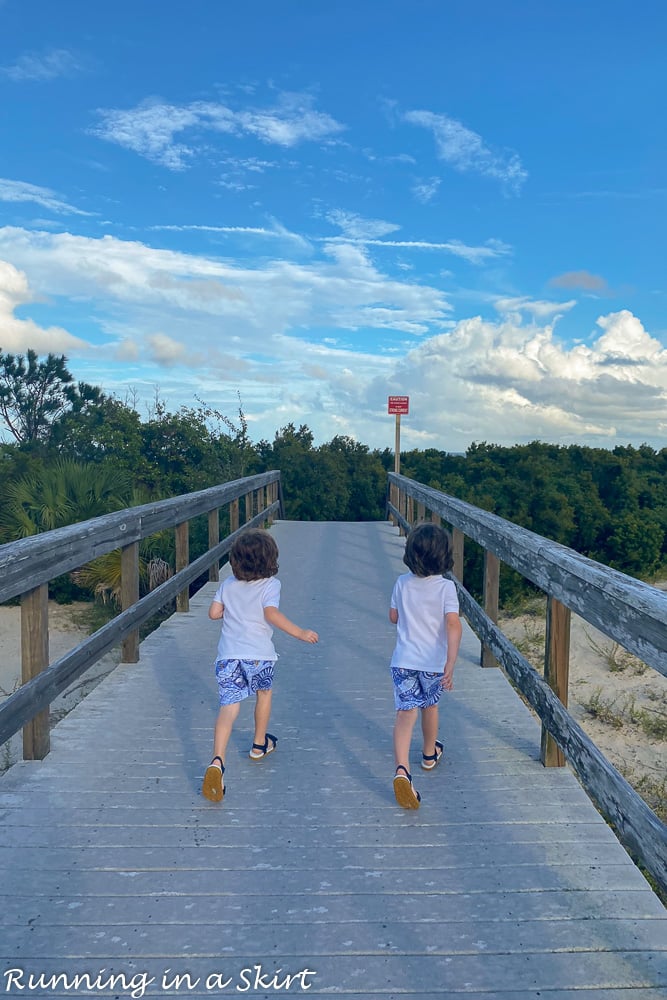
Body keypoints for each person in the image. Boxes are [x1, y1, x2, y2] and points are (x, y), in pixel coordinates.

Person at [201, 528, 318, 803]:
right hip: (259, 656)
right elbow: (270, 613)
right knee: (264, 695)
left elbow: (213, 613)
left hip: (228, 656)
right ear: (270, 560)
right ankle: (258, 744)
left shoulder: (228, 584)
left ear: (235, 560)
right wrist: (299, 632)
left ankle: (217, 760)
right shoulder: (270, 585)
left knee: (229, 707)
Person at [388, 522, 462, 809]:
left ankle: (402, 770)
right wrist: (450, 662)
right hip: (432, 664)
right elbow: (453, 625)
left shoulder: (401, 583)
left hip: (403, 662)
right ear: (444, 556)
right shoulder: (446, 588)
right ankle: (429, 754)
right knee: (430, 706)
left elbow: (394, 617)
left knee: (405, 714)